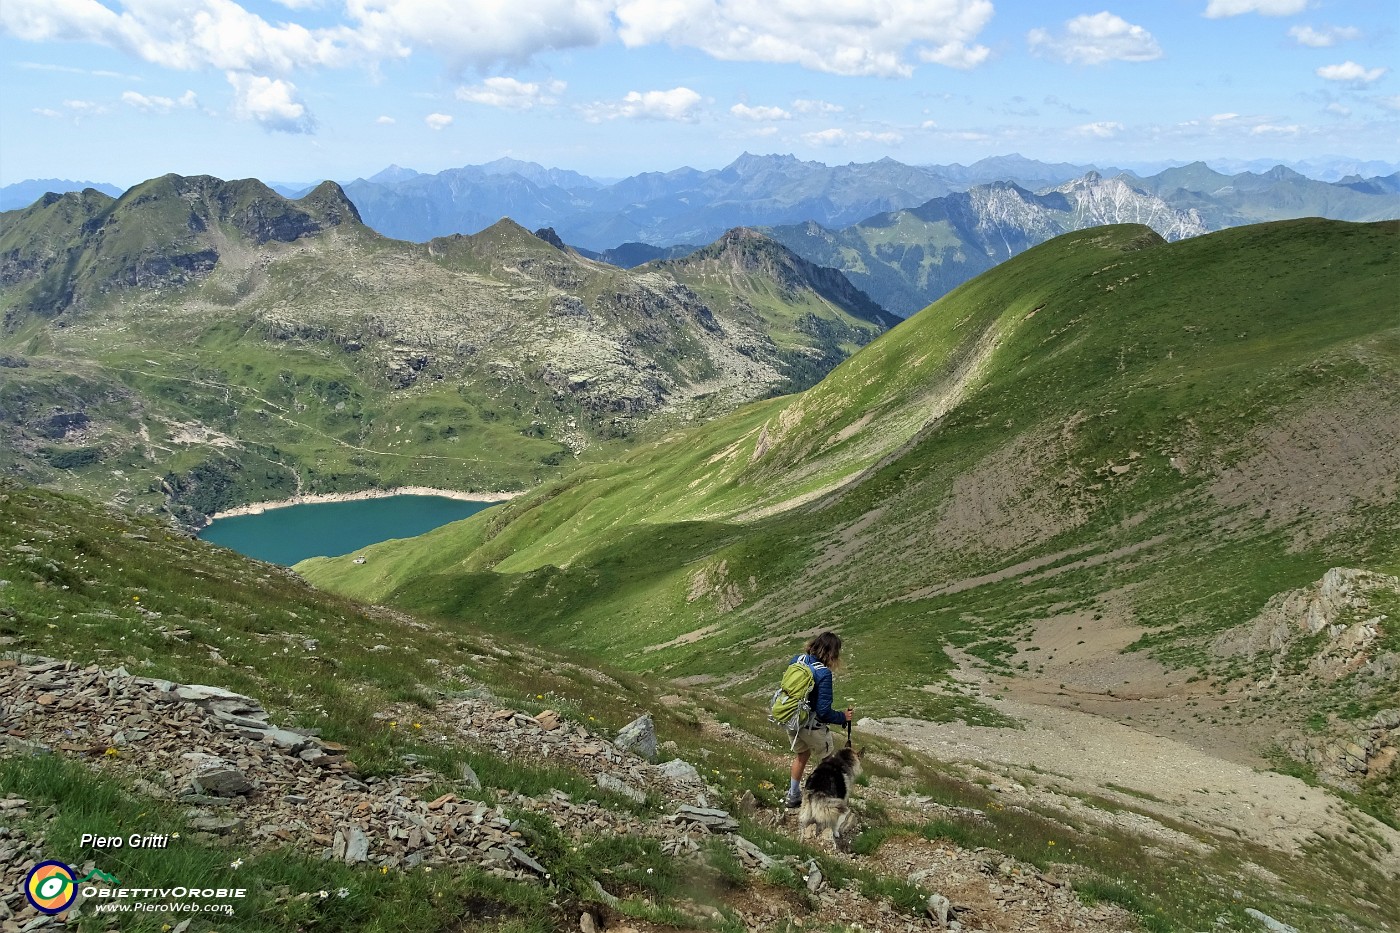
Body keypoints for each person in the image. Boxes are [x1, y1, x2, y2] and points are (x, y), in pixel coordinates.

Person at [784, 631, 853, 809]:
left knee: (802, 755)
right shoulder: (824, 674)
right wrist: (842, 717)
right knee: (828, 761)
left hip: (792, 720)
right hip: (812, 726)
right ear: (832, 653)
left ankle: (793, 795)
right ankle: (826, 801)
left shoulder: (797, 660)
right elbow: (823, 712)